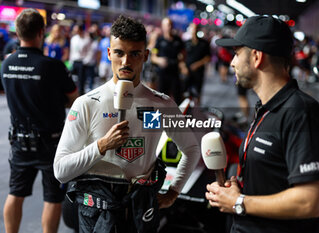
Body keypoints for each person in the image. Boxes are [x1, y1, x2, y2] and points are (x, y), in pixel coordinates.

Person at [54, 15, 200, 233]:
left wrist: (174, 191)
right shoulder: (87, 103)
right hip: (96, 209)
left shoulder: (161, 104)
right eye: (120, 53)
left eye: (134, 54)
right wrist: (101, 146)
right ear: (109, 53)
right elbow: (61, 171)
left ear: (145, 56)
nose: (125, 62)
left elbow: (191, 149)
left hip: (139, 207)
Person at [205, 16, 319, 233]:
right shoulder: (267, 108)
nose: (232, 62)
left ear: (256, 57)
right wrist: (236, 190)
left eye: (236, 54)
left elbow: (310, 201)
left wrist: (239, 202)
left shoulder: (302, 113)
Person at [0, 9, 78, 233]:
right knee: (53, 197)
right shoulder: (51, 66)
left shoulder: (6, 65)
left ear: (17, 32)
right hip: (50, 142)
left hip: (19, 141)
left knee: (15, 192)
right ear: (41, 32)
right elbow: (74, 99)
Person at [151, 17, 185, 105]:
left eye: (170, 25)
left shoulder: (178, 40)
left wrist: (182, 61)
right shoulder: (159, 40)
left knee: (178, 97)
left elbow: (184, 54)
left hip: (175, 73)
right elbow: (153, 57)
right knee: (162, 98)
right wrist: (159, 60)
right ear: (162, 27)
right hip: (163, 74)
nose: (168, 27)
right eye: (166, 25)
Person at [182, 23, 211, 102]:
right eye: (192, 28)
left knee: (198, 92)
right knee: (184, 91)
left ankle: (197, 110)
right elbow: (181, 56)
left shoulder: (204, 43)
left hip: (199, 72)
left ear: (198, 30)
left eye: (195, 28)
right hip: (187, 71)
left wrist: (197, 65)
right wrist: (183, 67)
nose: (194, 30)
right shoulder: (186, 43)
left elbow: (208, 58)